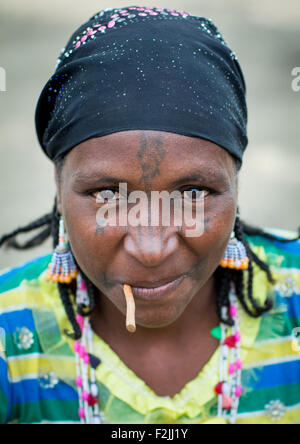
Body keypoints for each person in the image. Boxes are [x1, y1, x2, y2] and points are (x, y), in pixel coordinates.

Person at [0, 5, 300, 425]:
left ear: (235, 180)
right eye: (108, 194)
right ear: (58, 181)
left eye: (193, 192)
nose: (152, 249)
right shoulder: (9, 337)